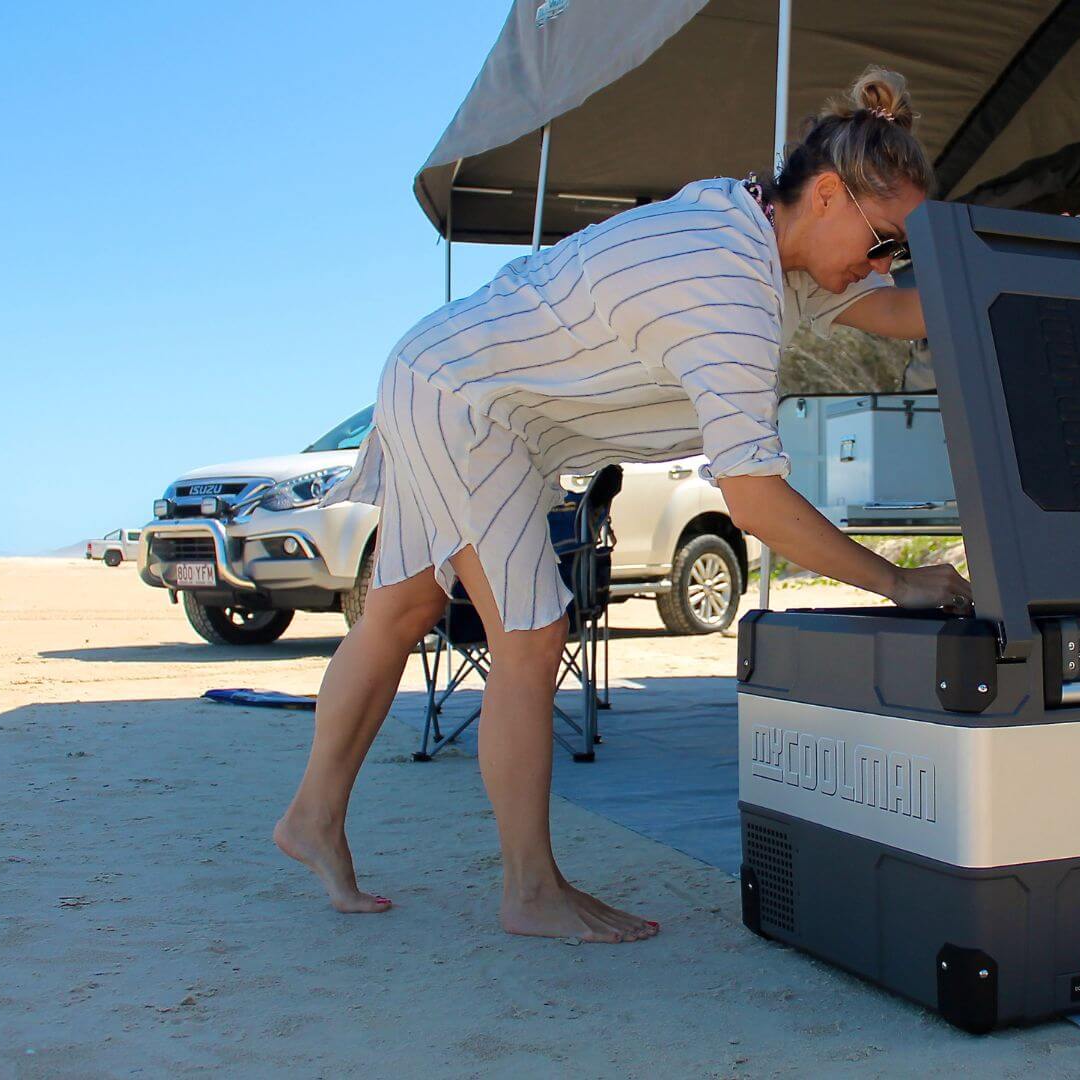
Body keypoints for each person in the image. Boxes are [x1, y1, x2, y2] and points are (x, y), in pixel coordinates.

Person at [274, 66, 973, 941]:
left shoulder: (759, 229)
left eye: (897, 252)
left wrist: (999, 278)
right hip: (464, 399)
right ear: (828, 195)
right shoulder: (725, 286)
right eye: (885, 243)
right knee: (529, 633)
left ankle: (311, 818)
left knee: (408, 603)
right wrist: (897, 583)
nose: (885, 266)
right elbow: (753, 500)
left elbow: (898, 311)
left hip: (452, 377)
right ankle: (530, 891)